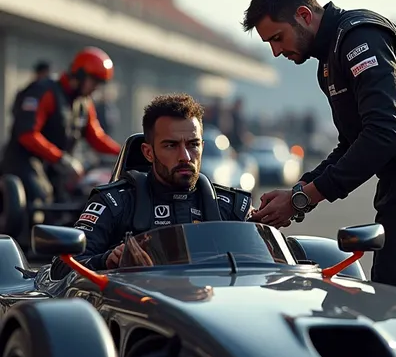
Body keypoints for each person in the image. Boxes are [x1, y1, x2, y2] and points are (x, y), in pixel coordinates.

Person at [242, 0, 396, 312]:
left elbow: (385, 134)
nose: (276, 51)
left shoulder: (358, 38)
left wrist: (303, 198)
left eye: (278, 37)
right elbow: (351, 144)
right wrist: (300, 189)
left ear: (304, 15)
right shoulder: (330, 61)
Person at [50, 93, 253, 277]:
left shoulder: (231, 207)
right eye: (171, 145)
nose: (185, 157)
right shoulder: (114, 203)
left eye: (193, 145)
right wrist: (108, 260)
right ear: (148, 152)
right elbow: (59, 269)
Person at [1, 47, 121, 207]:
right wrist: (62, 159)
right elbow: (27, 134)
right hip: (25, 162)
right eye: (95, 81)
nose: (96, 88)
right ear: (80, 75)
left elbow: (96, 137)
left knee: (76, 198)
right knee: (41, 200)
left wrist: (125, 152)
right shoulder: (45, 91)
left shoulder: (84, 103)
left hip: (55, 167)